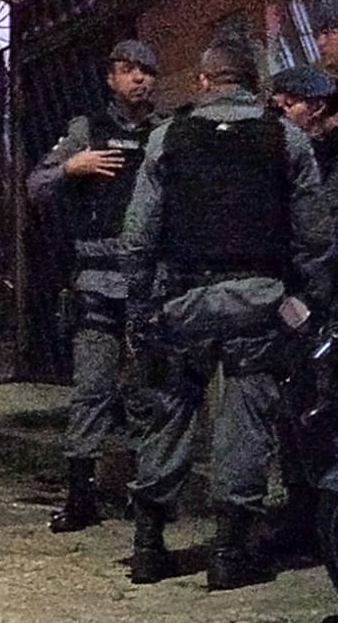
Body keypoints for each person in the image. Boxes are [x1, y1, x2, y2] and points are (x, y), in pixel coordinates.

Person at [123, 42, 334, 589]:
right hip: (259, 299)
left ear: (203, 81)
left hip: (182, 300)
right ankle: (230, 555)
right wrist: (314, 300)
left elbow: (140, 231)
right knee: (245, 425)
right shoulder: (285, 138)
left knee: (167, 417)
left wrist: (139, 304)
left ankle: (148, 548)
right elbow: (314, 235)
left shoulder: (168, 136)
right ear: (252, 81)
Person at [25, 39, 160, 533]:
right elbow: (35, 186)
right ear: (111, 78)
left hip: (149, 283)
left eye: (146, 70)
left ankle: (149, 499)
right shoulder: (86, 130)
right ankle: (80, 496)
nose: (139, 79)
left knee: (149, 394)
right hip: (97, 280)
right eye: (128, 70)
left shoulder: (165, 134)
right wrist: (71, 167)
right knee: (92, 390)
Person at [266, 64, 338, 553]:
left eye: (290, 102)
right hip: (303, 298)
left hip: (326, 296)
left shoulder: (324, 156)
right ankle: (303, 514)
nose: (282, 111)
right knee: (297, 409)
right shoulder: (290, 153)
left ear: (316, 106)